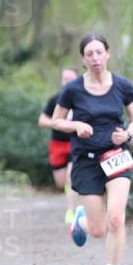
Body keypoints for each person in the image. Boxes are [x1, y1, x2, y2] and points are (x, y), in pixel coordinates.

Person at [52, 34, 133, 265]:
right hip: (87, 160)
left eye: (99, 52)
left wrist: (127, 135)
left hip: (116, 156)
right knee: (99, 229)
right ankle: (81, 219)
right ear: (83, 58)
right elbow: (56, 121)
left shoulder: (122, 86)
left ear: (108, 54)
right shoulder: (73, 89)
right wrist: (76, 125)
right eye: (89, 54)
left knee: (116, 217)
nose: (95, 58)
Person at [37, 69, 79, 224]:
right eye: (64, 78)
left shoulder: (82, 99)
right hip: (57, 144)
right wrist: (57, 123)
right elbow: (42, 120)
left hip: (75, 143)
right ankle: (73, 194)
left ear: (77, 80)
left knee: (71, 177)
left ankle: (71, 210)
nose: (67, 81)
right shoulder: (56, 99)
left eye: (70, 78)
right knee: (61, 182)